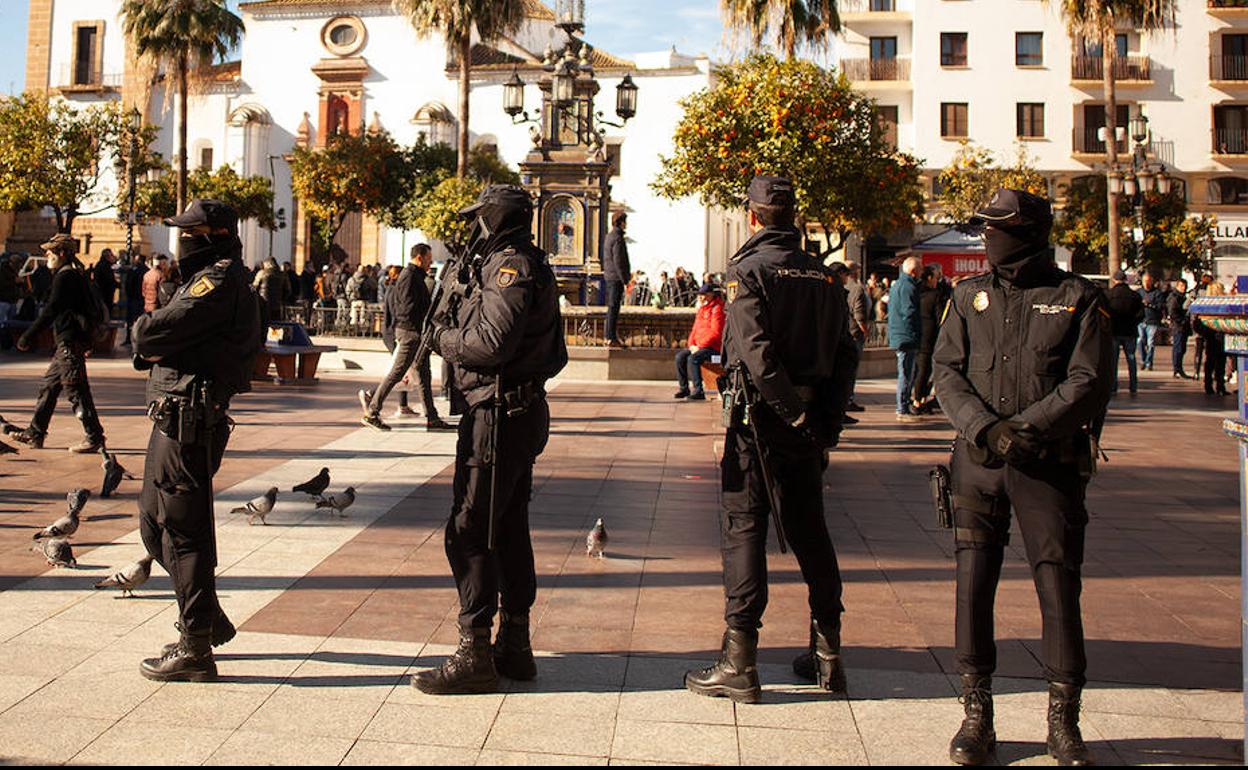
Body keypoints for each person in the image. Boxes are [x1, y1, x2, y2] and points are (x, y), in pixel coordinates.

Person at [933, 189, 1112, 767]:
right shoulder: (968, 296)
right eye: (985, 229)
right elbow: (947, 372)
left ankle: (1064, 722)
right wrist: (987, 429)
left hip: (1047, 466)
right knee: (972, 587)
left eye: (998, 229)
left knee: (1058, 589)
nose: (989, 239)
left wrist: (1027, 427)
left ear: (1031, 232)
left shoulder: (1075, 298)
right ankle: (976, 717)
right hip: (979, 464)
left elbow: (1087, 381)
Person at [684, 176, 857, 704]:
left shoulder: (749, 271)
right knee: (810, 530)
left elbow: (755, 353)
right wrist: (820, 420)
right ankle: (828, 653)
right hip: (805, 422)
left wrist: (790, 414)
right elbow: (847, 353)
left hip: (760, 421)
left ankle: (740, 660)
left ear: (753, 217)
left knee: (744, 530)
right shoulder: (823, 275)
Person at [415, 185, 567, 695]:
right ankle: (515, 646)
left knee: (472, 531)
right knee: (507, 527)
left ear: (495, 218)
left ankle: (476, 649)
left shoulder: (511, 267)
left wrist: (444, 340)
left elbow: (492, 342)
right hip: (510, 411)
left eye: (480, 218)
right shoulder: (525, 263)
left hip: (500, 416)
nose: (475, 227)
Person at [131, 199, 262, 682]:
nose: (182, 240)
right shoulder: (205, 278)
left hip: (189, 419)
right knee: (152, 524)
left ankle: (195, 645)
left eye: (192, 232)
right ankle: (203, 615)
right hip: (171, 414)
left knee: (185, 534)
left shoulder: (218, 280)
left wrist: (150, 330)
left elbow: (152, 333)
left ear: (215, 235)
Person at [10, 234, 108, 453]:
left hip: (69, 341)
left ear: (61, 253)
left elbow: (51, 309)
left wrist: (28, 335)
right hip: (70, 341)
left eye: (50, 251)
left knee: (76, 388)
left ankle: (94, 436)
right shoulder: (75, 274)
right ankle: (35, 432)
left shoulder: (67, 277)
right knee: (49, 386)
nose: (47, 255)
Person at [359, 244, 452, 432]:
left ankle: (432, 418)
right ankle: (372, 412)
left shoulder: (415, 275)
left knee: (423, 375)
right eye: (428, 258)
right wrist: (421, 323)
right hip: (411, 333)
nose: (430, 262)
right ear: (419, 257)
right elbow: (406, 309)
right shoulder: (409, 277)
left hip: (417, 333)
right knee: (397, 372)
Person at [673, 283, 725, 401]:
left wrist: (700, 346)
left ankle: (698, 391)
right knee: (680, 357)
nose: (701, 298)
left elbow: (716, 333)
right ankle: (684, 388)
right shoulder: (702, 309)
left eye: (704, 295)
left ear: (711, 295)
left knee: (693, 359)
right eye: (700, 295)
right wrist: (691, 344)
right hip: (699, 346)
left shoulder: (717, 309)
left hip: (713, 347)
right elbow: (695, 329)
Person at [888, 257, 923, 421]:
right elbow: (910, 312)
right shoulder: (908, 286)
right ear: (913, 271)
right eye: (920, 269)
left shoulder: (897, 285)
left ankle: (903, 406)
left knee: (907, 371)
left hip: (900, 335)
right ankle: (902, 408)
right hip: (906, 336)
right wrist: (915, 332)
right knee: (906, 373)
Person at [1105, 270, 1144, 396]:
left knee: (1113, 360)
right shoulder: (1135, 296)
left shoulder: (1108, 295)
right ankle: (1133, 385)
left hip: (1114, 330)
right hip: (1130, 331)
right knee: (1131, 359)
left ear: (1114, 280)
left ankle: (1113, 385)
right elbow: (1141, 314)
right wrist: (1133, 322)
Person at [912, 264, 944, 414]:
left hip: (917, 333)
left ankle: (919, 399)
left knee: (920, 369)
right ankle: (919, 400)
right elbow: (940, 317)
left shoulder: (915, 291)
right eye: (937, 277)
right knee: (925, 370)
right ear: (930, 278)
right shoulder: (935, 295)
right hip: (929, 336)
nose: (938, 281)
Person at [841, 261, 869, 413]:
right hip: (854, 332)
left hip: (845, 331)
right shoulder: (857, 288)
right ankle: (849, 398)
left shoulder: (845, 286)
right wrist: (865, 330)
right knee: (852, 369)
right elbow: (859, 314)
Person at [1195, 282, 1228, 396]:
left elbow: (1197, 322)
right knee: (1218, 362)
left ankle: (1211, 385)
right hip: (1217, 335)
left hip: (1211, 335)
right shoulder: (1219, 304)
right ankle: (1218, 386)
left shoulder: (1205, 304)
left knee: (1212, 361)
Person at [602, 212, 629, 347]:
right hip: (615, 277)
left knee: (611, 306)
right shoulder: (618, 238)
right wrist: (625, 279)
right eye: (625, 221)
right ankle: (610, 337)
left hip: (609, 276)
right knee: (614, 306)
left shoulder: (609, 236)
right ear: (621, 222)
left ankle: (609, 335)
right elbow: (619, 260)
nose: (626, 224)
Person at [1137, 272, 1165, 371]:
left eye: (1148, 281)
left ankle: (1149, 362)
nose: (1146, 283)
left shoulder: (1157, 293)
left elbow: (1160, 306)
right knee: (1140, 341)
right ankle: (1143, 360)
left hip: (1152, 321)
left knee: (1151, 343)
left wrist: (1149, 305)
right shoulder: (1139, 292)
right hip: (1141, 320)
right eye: (1145, 281)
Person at [1166, 278, 1191, 379]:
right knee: (1178, 348)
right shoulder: (1174, 297)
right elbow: (1172, 312)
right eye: (1181, 286)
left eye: (1184, 286)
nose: (1183, 288)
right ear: (1177, 286)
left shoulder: (1182, 297)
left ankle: (1179, 368)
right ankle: (1177, 369)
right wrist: (1182, 320)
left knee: (1182, 348)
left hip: (1182, 326)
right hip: (1178, 326)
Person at [92, 248, 117, 317]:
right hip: (105, 293)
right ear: (107, 257)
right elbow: (108, 279)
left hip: (101, 292)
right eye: (111, 255)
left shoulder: (100, 264)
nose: (113, 256)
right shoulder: (105, 266)